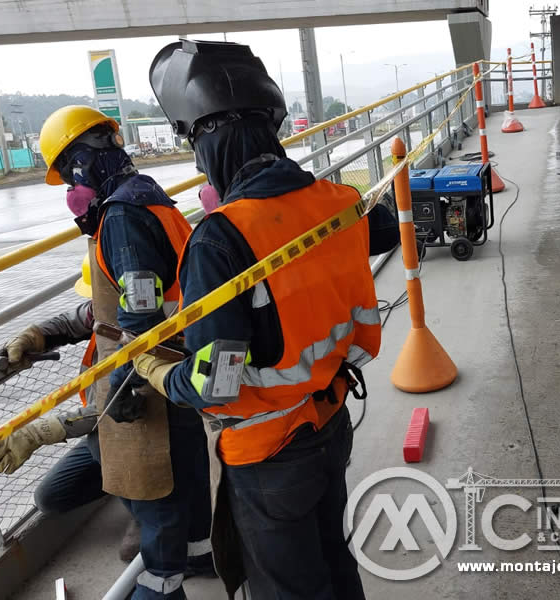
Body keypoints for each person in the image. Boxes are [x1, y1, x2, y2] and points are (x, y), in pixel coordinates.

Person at [134, 40, 399, 599]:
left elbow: (216, 383)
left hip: (269, 452)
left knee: (289, 588)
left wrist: (159, 373)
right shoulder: (339, 202)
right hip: (330, 423)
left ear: (207, 141)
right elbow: (386, 228)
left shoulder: (220, 238)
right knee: (334, 558)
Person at [19, 104, 210, 600]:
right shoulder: (149, 203)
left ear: (84, 161)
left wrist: (73, 420)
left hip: (143, 402)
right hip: (164, 382)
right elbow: (114, 307)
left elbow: (138, 325)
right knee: (173, 509)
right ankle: (189, 554)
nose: (70, 194)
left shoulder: (124, 216)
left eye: (67, 178)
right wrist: (45, 331)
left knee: (158, 547)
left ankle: (164, 576)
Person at [0, 261, 216, 573]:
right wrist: (35, 335)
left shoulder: (157, 331)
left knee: (153, 550)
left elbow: (122, 406)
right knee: (51, 497)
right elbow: (71, 322)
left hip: (147, 436)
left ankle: (145, 503)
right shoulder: (105, 313)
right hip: (107, 435)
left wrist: (43, 431)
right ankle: (134, 496)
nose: (93, 308)